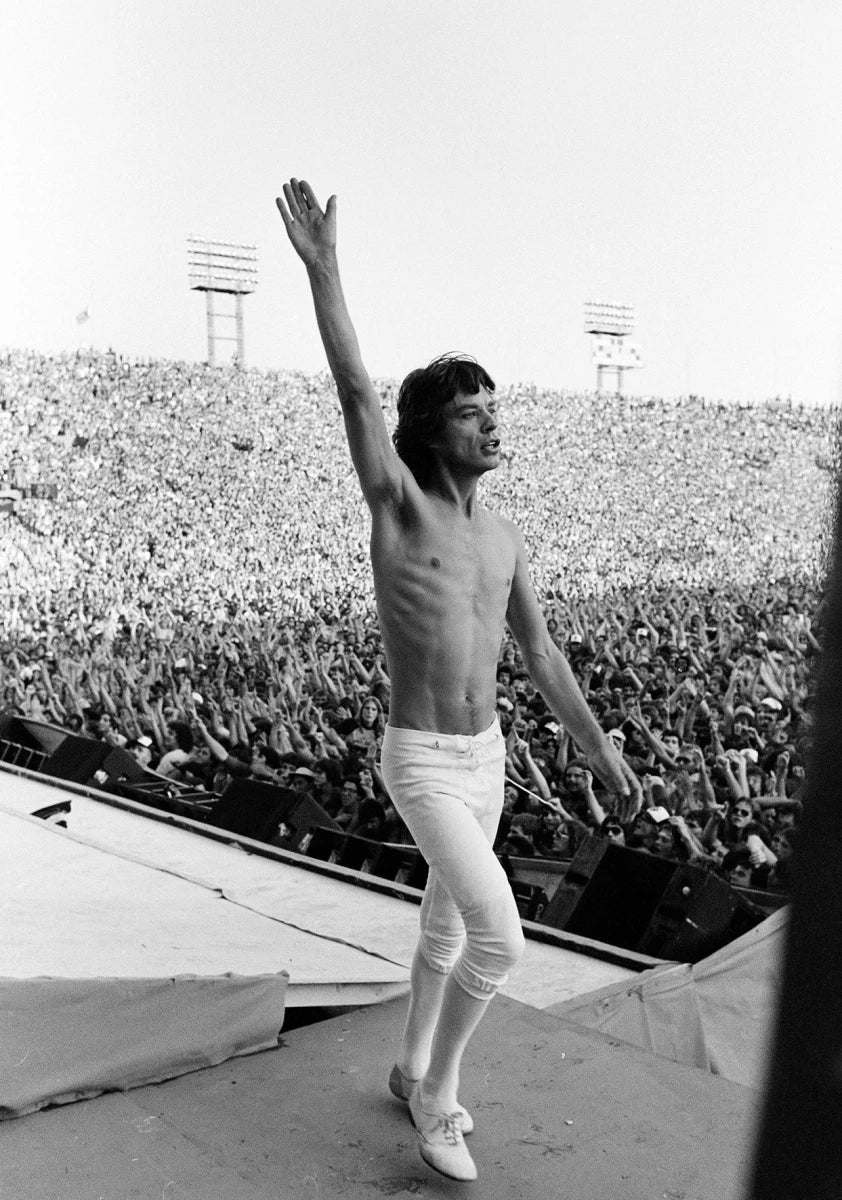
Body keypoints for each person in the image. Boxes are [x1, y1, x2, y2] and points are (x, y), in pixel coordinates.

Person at [276, 177, 641, 1181]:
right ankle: (438, 1097)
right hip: (424, 762)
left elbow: (542, 654)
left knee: (444, 934)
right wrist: (325, 270)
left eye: (493, 409)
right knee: (501, 942)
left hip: (487, 759)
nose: (491, 424)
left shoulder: (506, 536)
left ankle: (407, 1070)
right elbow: (356, 392)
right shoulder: (398, 506)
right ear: (429, 432)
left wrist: (599, 751)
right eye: (470, 413)